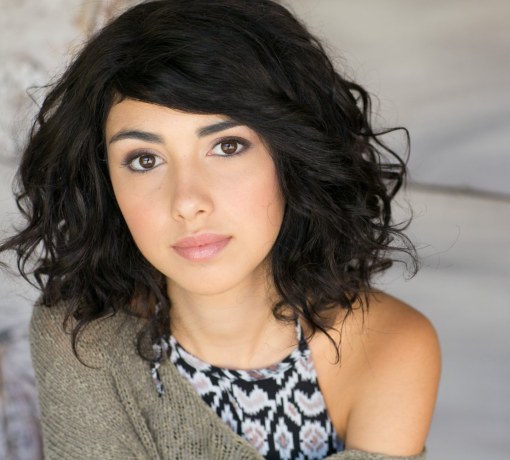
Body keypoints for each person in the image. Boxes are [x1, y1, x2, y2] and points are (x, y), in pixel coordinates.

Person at [0, 1, 441, 458]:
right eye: (145, 160)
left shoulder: (390, 345)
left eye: (227, 146)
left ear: (291, 156)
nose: (188, 202)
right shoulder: (82, 336)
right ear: (105, 181)